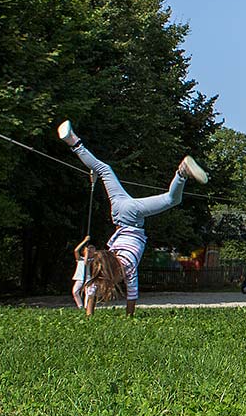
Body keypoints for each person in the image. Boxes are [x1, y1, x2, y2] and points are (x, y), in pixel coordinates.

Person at [59, 120, 208, 317]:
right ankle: (73, 141)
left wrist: (128, 318)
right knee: (104, 170)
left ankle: (181, 173)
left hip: (131, 217)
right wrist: (89, 316)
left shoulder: (126, 267)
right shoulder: (107, 265)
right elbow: (94, 293)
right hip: (121, 212)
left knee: (172, 199)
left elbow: (132, 296)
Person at [71, 235, 97, 308]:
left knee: (89, 293)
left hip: (88, 278)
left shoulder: (93, 260)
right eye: (89, 249)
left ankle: (87, 307)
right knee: (75, 291)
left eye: (92, 249)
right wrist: (85, 241)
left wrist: (88, 254)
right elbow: (76, 250)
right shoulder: (80, 259)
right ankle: (80, 306)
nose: (90, 251)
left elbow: (86, 263)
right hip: (80, 278)